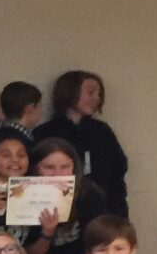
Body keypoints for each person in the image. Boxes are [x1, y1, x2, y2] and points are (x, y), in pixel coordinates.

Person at [34, 70, 128, 217]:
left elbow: (118, 171)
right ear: (70, 92)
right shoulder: (46, 132)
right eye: (90, 93)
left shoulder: (102, 131)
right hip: (58, 212)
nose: (96, 99)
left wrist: (118, 212)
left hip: (102, 211)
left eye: (99, 95)